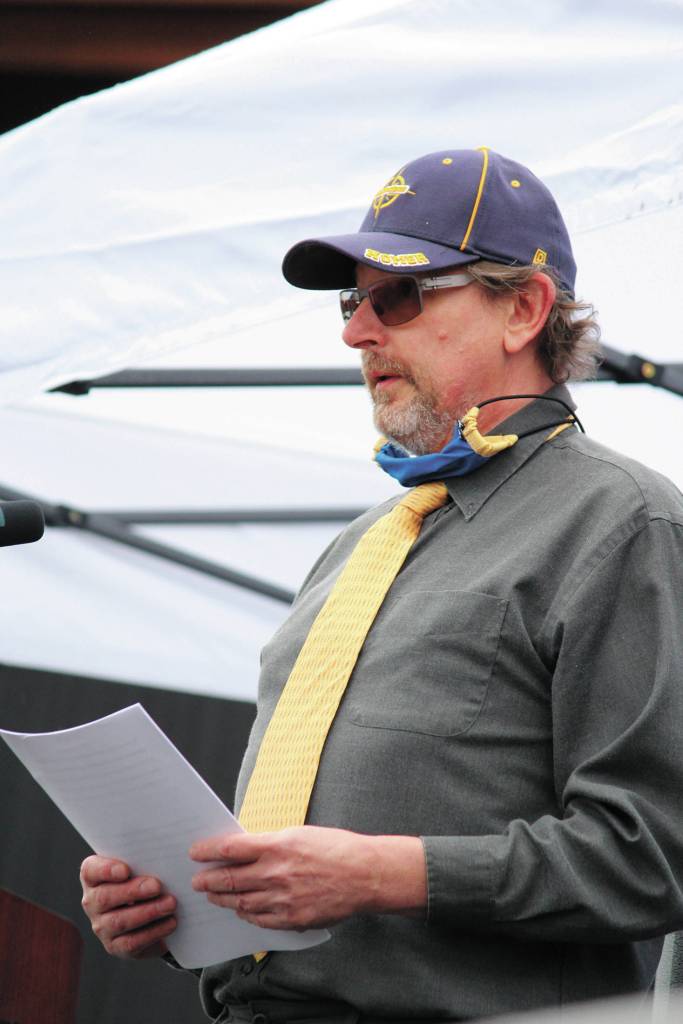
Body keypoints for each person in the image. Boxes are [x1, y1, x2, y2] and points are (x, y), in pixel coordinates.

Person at [80, 148, 683, 1022]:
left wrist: (381, 874)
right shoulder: (360, 544)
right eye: (352, 300)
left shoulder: (622, 520)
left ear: (523, 309)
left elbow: (656, 855)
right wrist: (184, 901)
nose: (357, 332)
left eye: (398, 295)